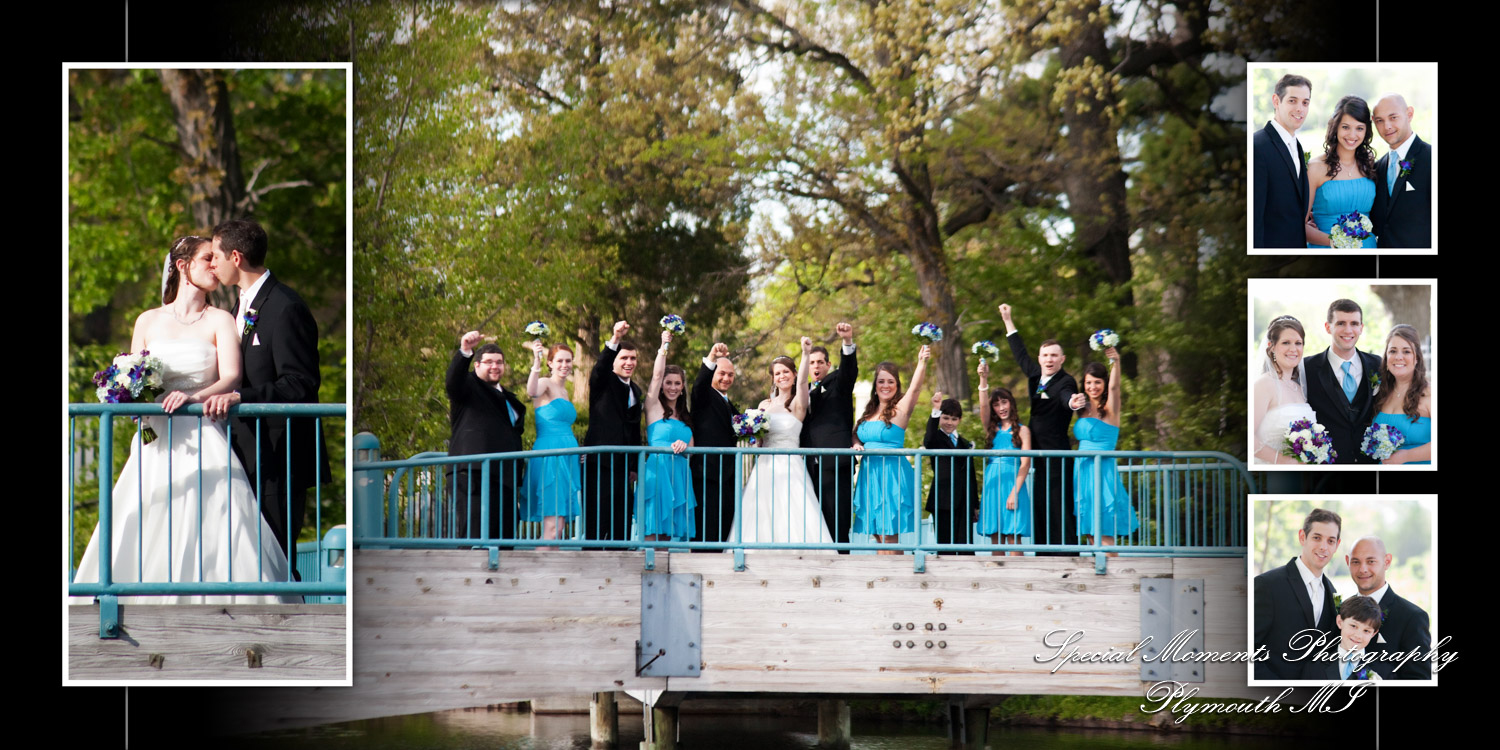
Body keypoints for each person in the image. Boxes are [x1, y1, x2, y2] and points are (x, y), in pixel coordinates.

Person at [74, 236, 292, 603]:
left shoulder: (221, 319)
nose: (214, 264)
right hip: (154, 440)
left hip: (202, 436)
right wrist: (131, 396)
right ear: (182, 266)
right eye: (206, 258)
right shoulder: (148, 320)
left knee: (216, 524)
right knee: (145, 516)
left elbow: (231, 378)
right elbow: (130, 373)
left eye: (215, 257)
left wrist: (192, 397)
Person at [202, 219, 329, 579]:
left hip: (280, 456)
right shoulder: (234, 310)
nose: (213, 264)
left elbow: (301, 384)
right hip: (242, 452)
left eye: (216, 257)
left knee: (276, 559)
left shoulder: (286, 307)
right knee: (246, 557)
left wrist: (240, 395)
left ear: (236, 257)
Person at [729, 337, 834, 546]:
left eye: (786, 371)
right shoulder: (764, 404)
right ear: (773, 379)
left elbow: (804, 383)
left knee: (792, 513)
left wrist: (805, 354)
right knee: (761, 514)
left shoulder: (797, 403)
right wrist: (751, 435)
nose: (782, 376)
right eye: (777, 373)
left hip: (790, 465)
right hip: (764, 466)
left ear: (794, 374)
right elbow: (756, 438)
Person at [1000, 303, 1079, 554]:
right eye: (1045, 355)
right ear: (1040, 359)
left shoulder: (1066, 381)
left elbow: (1065, 395)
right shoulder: (1036, 375)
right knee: (1042, 499)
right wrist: (1008, 320)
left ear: (1062, 359)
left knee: (1059, 500)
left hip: (1056, 451)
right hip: (1037, 451)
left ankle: (1066, 552)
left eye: (1054, 355)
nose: (1049, 359)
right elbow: (1020, 353)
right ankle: (1044, 550)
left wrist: (1072, 401)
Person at [443, 331, 527, 542]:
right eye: (488, 362)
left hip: (505, 478)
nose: (494, 366)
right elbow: (453, 382)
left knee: (505, 537)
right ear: (477, 365)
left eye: (499, 362)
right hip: (474, 474)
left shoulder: (509, 398)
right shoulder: (469, 386)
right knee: (476, 535)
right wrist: (465, 351)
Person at [851, 345, 930, 555]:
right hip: (869, 475)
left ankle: (896, 580)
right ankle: (884, 577)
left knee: (889, 534)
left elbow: (914, 389)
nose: (886, 385)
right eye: (881, 381)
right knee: (877, 533)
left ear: (897, 385)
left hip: (891, 474)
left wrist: (922, 362)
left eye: (890, 381)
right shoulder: (869, 412)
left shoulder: (900, 409)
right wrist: (856, 443)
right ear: (875, 385)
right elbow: (856, 433)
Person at [1253, 507, 1341, 680]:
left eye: (1330, 541)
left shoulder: (1334, 594)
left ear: (1337, 545)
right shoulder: (1267, 585)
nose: (1323, 547)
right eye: (1317, 538)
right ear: (1302, 537)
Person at [1067, 351, 1139, 551]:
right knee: (1089, 530)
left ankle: (1115, 575)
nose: (1093, 387)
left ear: (1104, 383)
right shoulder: (1082, 408)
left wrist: (1115, 361)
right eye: (1089, 383)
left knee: (1104, 528)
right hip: (1081, 471)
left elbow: (1115, 388)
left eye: (1097, 382)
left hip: (1102, 471)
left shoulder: (1110, 409)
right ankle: (1099, 573)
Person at [582, 321, 644, 543]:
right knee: (597, 521)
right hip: (599, 463)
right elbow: (600, 366)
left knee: (622, 520)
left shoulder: (635, 390)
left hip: (623, 466)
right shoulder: (602, 382)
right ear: (614, 361)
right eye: (624, 358)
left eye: (632, 358)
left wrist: (634, 465)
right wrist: (615, 338)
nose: (629, 362)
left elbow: (634, 427)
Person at [801, 323, 859, 549]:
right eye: (812, 362)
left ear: (828, 364)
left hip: (835, 463)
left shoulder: (838, 383)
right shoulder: (802, 390)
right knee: (813, 521)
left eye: (820, 362)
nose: (816, 366)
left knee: (838, 518)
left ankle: (842, 561)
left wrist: (847, 342)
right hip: (808, 466)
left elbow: (849, 372)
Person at [1304, 300, 1381, 464]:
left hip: (1370, 464)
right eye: (1341, 323)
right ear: (1328, 327)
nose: (1348, 330)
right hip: (1327, 469)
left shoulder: (1378, 364)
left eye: (1354, 323)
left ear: (1361, 328)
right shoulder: (1306, 368)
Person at [638, 329, 697, 543]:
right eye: (668, 382)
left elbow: (692, 451)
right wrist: (664, 346)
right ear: (662, 386)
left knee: (673, 536)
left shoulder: (686, 417)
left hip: (680, 473)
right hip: (658, 471)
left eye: (677, 384)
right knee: (654, 532)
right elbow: (655, 375)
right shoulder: (653, 407)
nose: (672, 387)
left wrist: (685, 447)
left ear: (682, 388)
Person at [1345, 536, 1431, 680]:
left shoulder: (1412, 617)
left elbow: (1419, 680)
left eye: (1371, 561)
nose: (1363, 569)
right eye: (1355, 562)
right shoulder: (1341, 611)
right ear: (1348, 562)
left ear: (1387, 562)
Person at [523, 340, 581, 549]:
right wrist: (536, 361)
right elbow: (531, 391)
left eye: (568, 361)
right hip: (550, 457)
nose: (564, 365)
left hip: (567, 458)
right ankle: (536, 574)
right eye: (559, 361)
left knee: (560, 525)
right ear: (550, 363)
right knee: (552, 527)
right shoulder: (545, 383)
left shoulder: (566, 392)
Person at [1304, 96, 1378, 249]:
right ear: (1335, 127)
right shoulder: (1315, 168)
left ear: (1366, 131)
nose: (1352, 135)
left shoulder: (1369, 163)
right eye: (1345, 127)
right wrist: (1336, 241)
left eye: (1359, 128)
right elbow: (1298, 226)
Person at [1252, 74, 1312, 249]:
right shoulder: (1257, 146)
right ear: (1276, 101)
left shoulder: (1297, 146)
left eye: (1305, 102)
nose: (1300, 108)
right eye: (1292, 101)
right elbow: (1255, 217)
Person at [976, 364, 1030, 556]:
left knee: (1014, 536)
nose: (1001, 408)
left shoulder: (1023, 430)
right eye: (997, 404)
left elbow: (1026, 463)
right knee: (995, 536)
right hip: (993, 483)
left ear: (1011, 403)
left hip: (1013, 483)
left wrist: (1014, 492)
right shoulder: (992, 429)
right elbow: (982, 406)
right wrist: (983, 379)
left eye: (1004, 402)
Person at [690, 342, 739, 547]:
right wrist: (711, 357)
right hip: (706, 473)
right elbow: (700, 383)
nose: (726, 378)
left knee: (725, 527)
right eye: (722, 373)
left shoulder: (731, 406)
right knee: (706, 529)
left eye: (730, 375)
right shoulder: (704, 396)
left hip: (727, 476)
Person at [1370, 93, 1432, 249]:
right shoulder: (1377, 168)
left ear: (1409, 114)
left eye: (1393, 117)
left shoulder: (1431, 158)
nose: (1387, 126)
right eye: (1379, 121)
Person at [1252, 315, 1316, 464]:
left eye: (1298, 343)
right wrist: (1284, 461)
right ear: (1272, 346)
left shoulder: (1299, 388)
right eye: (1286, 342)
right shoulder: (1264, 385)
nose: (1293, 349)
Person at [922, 393, 977, 553]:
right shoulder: (935, 438)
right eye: (945, 418)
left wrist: (975, 504)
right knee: (945, 546)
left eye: (954, 419)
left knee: (966, 544)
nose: (949, 422)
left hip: (964, 501)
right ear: (940, 418)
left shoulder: (965, 443)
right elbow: (928, 439)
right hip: (943, 499)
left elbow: (970, 475)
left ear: (959, 420)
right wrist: (936, 410)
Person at [1370, 324, 1432, 465]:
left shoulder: (1430, 394)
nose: (1398, 357)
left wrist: (1406, 456)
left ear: (1416, 358)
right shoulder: (1382, 394)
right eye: (1392, 351)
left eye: (1406, 351)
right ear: (1386, 358)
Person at [1300, 595, 1383, 682]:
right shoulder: (1313, 668)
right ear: (1340, 622)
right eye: (1353, 626)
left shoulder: (1384, 671)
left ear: (1373, 634)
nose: (1358, 635)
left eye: (1366, 631)